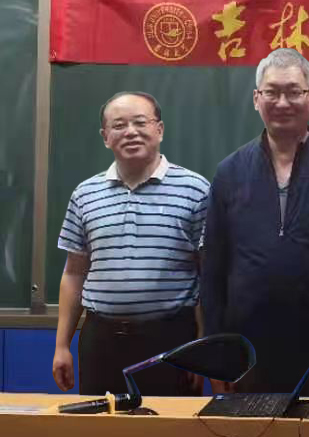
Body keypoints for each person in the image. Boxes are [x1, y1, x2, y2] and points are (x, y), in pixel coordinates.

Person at [201, 49, 309, 394]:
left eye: (294, 92)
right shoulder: (230, 172)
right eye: (272, 92)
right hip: (246, 351)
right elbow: (214, 269)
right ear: (256, 99)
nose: (282, 102)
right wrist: (217, 354)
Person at [52, 91, 210, 397]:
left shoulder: (196, 190)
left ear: (159, 130)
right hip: (101, 340)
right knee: (102, 425)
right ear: (105, 137)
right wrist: (61, 345)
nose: (130, 132)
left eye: (140, 122)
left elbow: (208, 274)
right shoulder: (85, 194)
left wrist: (202, 344)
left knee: (170, 425)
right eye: (119, 125)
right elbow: (74, 273)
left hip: (171, 339)